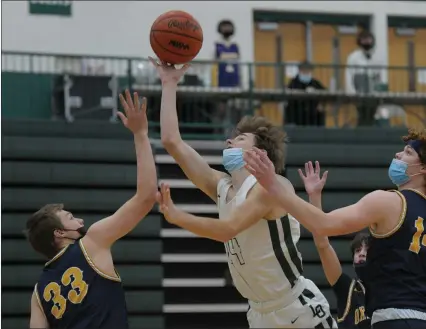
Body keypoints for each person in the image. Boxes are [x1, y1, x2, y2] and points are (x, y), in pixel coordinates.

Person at [150, 57, 337, 328]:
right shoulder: (221, 186)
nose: (228, 140)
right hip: (258, 313)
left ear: (258, 152)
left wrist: (178, 217)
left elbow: (228, 229)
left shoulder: (270, 188)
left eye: (239, 139)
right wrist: (169, 84)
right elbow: (171, 141)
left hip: (296, 308)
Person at [244, 129, 426, 329]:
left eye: (408, 152)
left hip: (394, 320)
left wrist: (273, 186)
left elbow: (323, 224)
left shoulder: (388, 202)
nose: (398, 155)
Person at [25, 90, 157, 329]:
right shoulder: (91, 244)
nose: (80, 221)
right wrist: (140, 134)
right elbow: (147, 197)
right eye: (71, 218)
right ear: (59, 233)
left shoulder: (39, 293)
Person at [299, 161, 371, 329]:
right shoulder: (348, 289)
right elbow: (322, 244)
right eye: (358, 250)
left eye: (367, 250)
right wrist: (315, 198)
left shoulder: (392, 285)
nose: (361, 253)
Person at [345, 30, 382, 126]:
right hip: (359, 90)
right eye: (364, 40)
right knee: (362, 114)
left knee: (371, 115)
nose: (367, 42)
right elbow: (349, 74)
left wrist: (379, 91)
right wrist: (351, 92)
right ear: (360, 41)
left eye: (369, 39)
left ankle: (369, 134)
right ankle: (362, 134)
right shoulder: (353, 57)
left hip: (372, 91)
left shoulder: (376, 56)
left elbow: (379, 75)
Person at [286, 61, 326, 126]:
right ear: (300, 71)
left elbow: (325, 94)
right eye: (304, 71)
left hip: (314, 120)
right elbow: (288, 98)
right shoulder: (293, 83)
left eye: (308, 71)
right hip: (297, 119)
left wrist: (321, 104)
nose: (307, 73)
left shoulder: (314, 83)